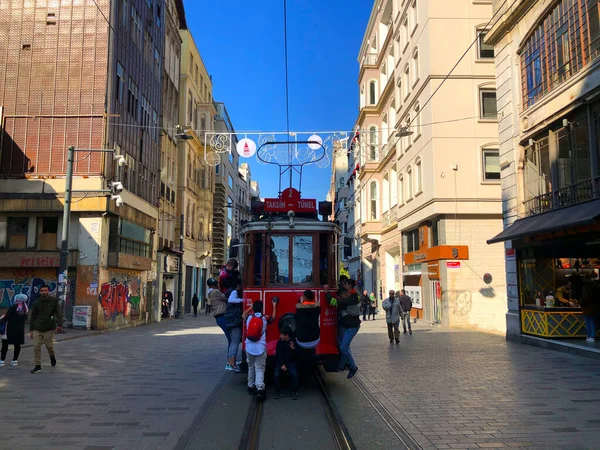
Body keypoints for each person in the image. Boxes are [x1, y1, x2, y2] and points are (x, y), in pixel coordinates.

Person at [325, 279, 361, 379]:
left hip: (352, 327)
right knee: (343, 345)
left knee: (343, 347)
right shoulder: (354, 295)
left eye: (345, 284)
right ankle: (341, 366)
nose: (341, 296)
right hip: (349, 325)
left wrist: (327, 292)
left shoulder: (348, 300)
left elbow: (332, 302)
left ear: (349, 287)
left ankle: (353, 367)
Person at [243, 299, 277, 401]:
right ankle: (260, 388)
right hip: (260, 348)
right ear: (262, 308)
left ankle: (250, 386)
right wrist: (274, 305)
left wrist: (250, 307)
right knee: (260, 368)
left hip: (249, 347)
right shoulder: (264, 318)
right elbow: (274, 318)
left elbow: (243, 315)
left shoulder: (249, 317)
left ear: (254, 308)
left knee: (251, 366)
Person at [30, 284, 63, 374]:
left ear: (48, 291)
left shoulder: (54, 301)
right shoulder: (36, 303)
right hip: (37, 328)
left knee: (49, 347)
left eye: (45, 290)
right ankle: (37, 366)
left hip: (49, 328)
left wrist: (59, 325)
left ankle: (52, 357)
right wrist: (31, 329)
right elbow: (33, 317)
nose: (44, 292)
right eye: (42, 291)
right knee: (36, 347)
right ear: (40, 292)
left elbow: (59, 313)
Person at [207, 278, 231, 370]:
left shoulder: (212, 292)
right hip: (221, 316)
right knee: (231, 338)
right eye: (216, 284)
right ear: (212, 285)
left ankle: (230, 360)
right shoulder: (215, 292)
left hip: (220, 317)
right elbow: (226, 298)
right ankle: (230, 361)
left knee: (230, 338)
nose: (217, 285)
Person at [0, 294, 28, 367]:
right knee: (17, 345)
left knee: (5, 345)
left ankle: (2, 360)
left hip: (9, 330)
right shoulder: (25, 308)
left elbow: (6, 318)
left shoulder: (13, 307)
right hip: (19, 330)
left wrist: (2, 317)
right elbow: (25, 319)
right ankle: (14, 360)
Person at [225, 283, 245, 373]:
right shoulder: (234, 292)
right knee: (235, 342)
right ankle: (232, 363)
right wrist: (243, 300)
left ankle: (230, 363)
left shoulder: (233, 291)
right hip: (234, 322)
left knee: (233, 342)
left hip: (230, 321)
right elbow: (231, 300)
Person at [274, 328, 298, 400]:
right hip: (282, 362)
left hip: (290, 362)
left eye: (281, 334)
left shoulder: (293, 342)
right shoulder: (280, 342)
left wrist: (293, 349)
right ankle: (277, 392)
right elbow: (278, 355)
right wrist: (282, 364)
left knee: (294, 374)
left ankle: (294, 392)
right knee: (276, 375)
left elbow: (297, 356)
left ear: (286, 335)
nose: (280, 336)